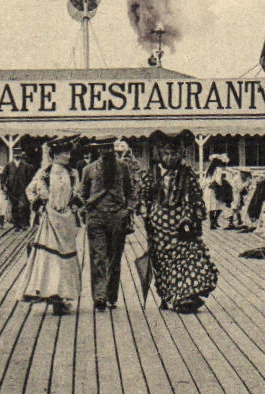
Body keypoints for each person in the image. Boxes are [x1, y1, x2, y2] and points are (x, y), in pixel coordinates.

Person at [140, 130, 217, 313]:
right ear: (160, 154)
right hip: (159, 224)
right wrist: (144, 209)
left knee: (186, 258)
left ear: (179, 154)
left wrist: (197, 212)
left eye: (173, 153)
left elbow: (196, 194)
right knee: (162, 261)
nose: (170, 157)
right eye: (166, 153)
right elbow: (143, 195)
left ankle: (185, 294)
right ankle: (168, 296)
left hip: (182, 220)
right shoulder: (152, 173)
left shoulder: (186, 172)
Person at [20, 138, 83, 315]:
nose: (68, 156)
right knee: (52, 258)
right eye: (65, 153)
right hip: (50, 221)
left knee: (66, 259)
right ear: (55, 155)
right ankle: (54, 297)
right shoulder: (44, 173)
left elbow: (77, 194)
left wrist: (74, 206)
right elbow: (29, 190)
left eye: (69, 153)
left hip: (66, 221)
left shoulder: (73, 173)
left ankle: (63, 296)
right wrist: (39, 207)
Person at [80, 140, 136, 311]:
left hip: (117, 216)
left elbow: (131, 191)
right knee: (98, 256)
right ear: (98, 150)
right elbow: (83, 194)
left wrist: (128, 210)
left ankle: (111, 296)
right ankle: (100, 296)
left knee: (114, 258)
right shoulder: (88, 170)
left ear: (112, 148)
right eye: (102, 148)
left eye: (108, 147)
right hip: (96, 217)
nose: (106, 151)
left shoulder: (122, 167)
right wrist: (87, 212)